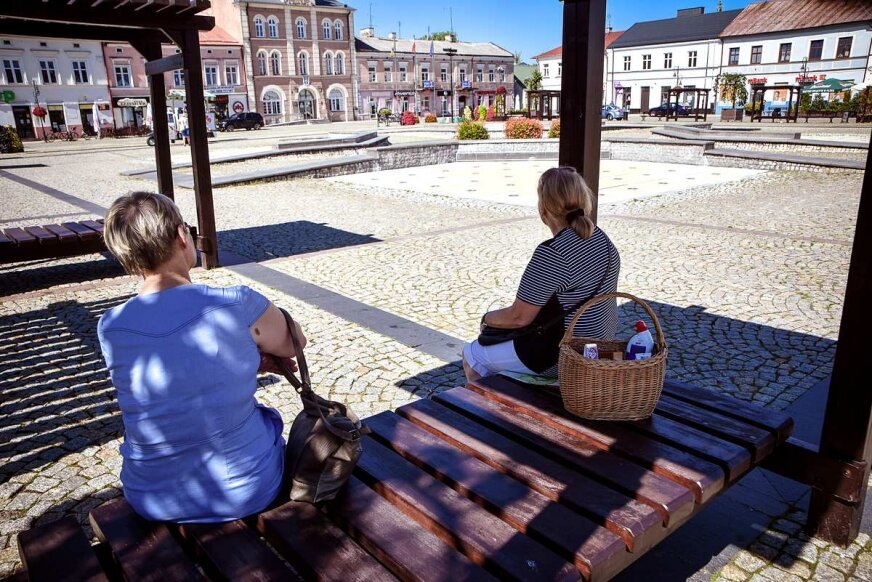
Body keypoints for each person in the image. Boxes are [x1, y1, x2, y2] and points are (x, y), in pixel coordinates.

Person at [98, 191, 305, 523]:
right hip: (243, 488)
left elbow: (170, 386)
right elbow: (294, 343)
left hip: (150, 495)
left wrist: (240, 360)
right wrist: (252, 349)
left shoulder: (110, 326)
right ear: (182, 235)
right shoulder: (235, 303)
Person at [463, 166, 621, 382]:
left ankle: (489, 413)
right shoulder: (602, 239)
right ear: (585, 201)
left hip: (564, 354)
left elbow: (518, 318)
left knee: (473, 355)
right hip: (602, 344)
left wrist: (486, 319)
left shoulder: (552, 254)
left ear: (543, 210)